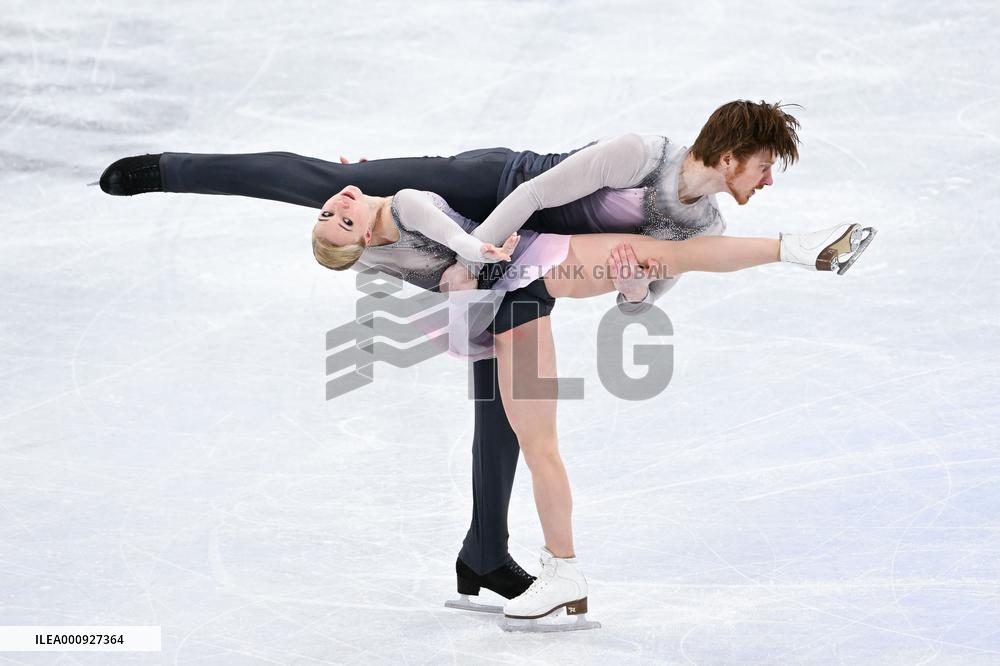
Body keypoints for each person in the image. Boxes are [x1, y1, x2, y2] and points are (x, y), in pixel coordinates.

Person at [98, 100, 813, 611]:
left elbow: (645, 299)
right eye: (766, 166)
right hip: (492, 192)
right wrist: (477, 262)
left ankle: (485, 555)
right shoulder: (639, 154)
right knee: (329, 180)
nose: (769, 180)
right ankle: (170, 168)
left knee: (501, 408)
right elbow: (533, 192)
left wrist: (627, 290)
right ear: (729, 156)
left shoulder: (703, 222)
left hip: (525, 259)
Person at [309, 181, 876, 625]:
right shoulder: (375, 251)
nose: (335, 209)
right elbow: (449, 266)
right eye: (339, 220)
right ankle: (566, 573)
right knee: (539, 447)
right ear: (361, 244)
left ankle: (797, 249)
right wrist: (464, 272)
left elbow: (456, 240)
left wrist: (625, 289)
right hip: (511, 304)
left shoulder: (404, 202)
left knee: (663, 256)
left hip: (537, 263)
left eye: (328, 213)